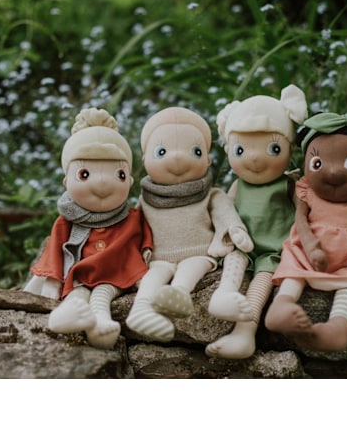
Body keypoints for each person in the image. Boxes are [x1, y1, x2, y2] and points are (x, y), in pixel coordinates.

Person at [265, 108, 347, 352]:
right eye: (317, 163)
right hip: (308, 256)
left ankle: (338, 327)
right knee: (294, 270)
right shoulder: (307, 193)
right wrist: (310, 246)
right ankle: (281, 305)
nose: (334, 172)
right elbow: (300, 222)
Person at [24, 107, 152, 349]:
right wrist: (53, 281)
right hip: (80, 276)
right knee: (78, 294)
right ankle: (69, 314)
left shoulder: (133, 216)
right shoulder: (67, 220)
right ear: (66, 181)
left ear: (130, 180)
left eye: (119, 175)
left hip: (117, 273)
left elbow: (146, 239)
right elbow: (54, 252)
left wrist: (147, 260)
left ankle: (100, 326)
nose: (102, 183)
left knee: (102, 295)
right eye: (84, 174)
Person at [126, 106, 253, 342]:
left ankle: (179, 293)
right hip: (159, 256)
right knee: (153, 276)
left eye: (194, 151)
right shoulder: (146, 198)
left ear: (207, 160)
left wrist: (235, 230)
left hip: (198, 252)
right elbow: (134, 227)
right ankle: (141, 309)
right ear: (145, 161)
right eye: (161, 152)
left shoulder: (210, 194)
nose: (177, 158)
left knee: (191, 269)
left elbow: (225, 213)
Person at [205, 85, 308, 359]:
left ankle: (244, 333)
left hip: (274, 250)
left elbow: (304, 214)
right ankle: (223, 295)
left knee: (261, 282)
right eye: (240, 149)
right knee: (234, 261)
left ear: (289, 147)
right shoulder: (238, 186)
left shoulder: (288, 184)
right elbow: (224, 211)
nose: (254, 158)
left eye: (273, 148)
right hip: (242, 244)